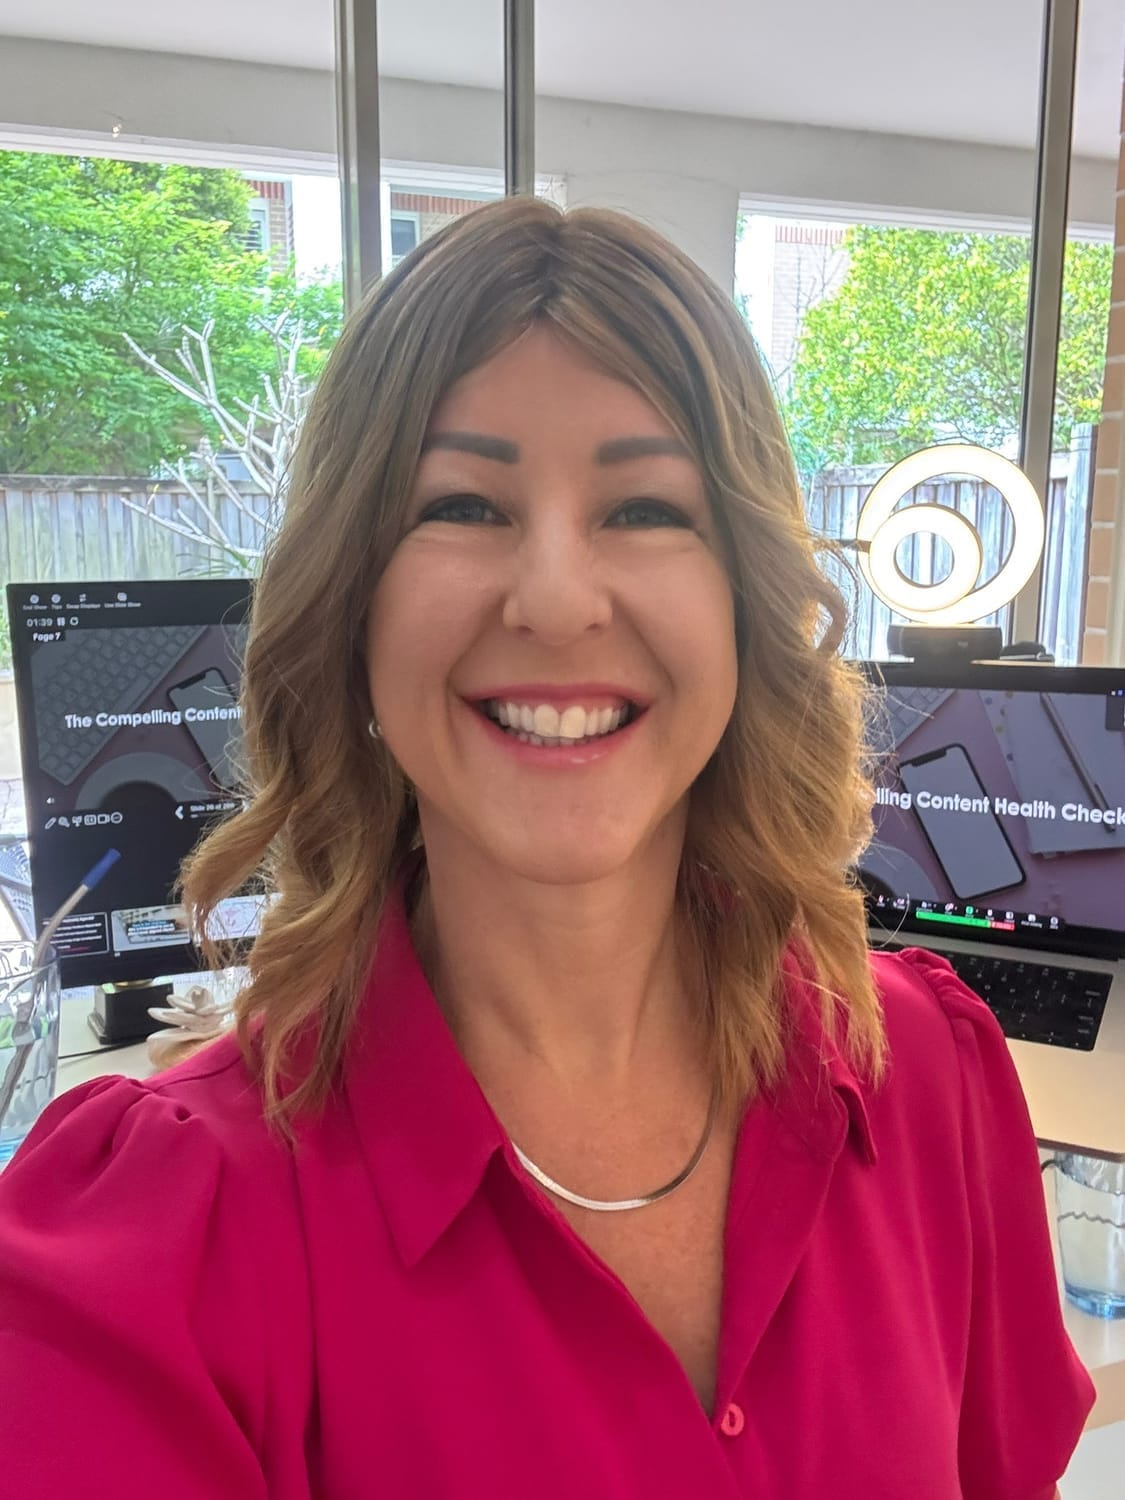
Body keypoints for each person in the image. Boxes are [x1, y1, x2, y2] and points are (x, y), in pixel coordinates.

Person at [0, 198, 1093, 1498]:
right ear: (351, 602)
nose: (560, 601)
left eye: (646, 509)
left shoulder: (927, 1077)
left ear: (745, 601)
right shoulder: (162, 1237)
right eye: (463, 503)